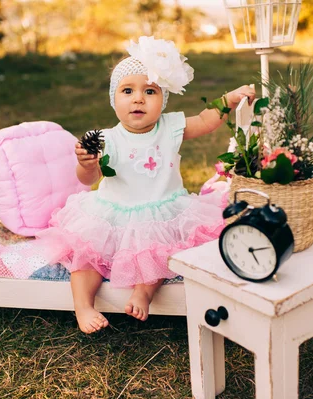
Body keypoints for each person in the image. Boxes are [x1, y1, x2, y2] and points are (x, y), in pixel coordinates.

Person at [37, 36, 255, 334]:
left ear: (163, 99)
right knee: (86, 256)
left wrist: (227, 100)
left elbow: (205, 121)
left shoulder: (170, 126)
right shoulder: (104, 139)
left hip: (161, 212)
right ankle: (83, 305)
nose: (138, 98)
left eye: (150, 91)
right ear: (114, 99)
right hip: (112, 214)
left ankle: (143, 292)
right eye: (128, 91)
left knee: (159, 251)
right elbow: (87, 180)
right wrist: (87, 164)